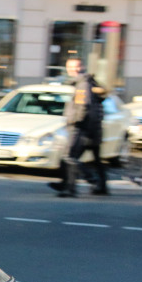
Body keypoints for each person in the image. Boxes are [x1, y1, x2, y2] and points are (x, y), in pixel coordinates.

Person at [50, 57, 108, 197]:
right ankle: (100, 186)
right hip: (93, 128)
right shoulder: (89, 82)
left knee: (69, 157)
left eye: (74, 67)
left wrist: (76, 123)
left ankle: (78, 185)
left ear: (81, 67)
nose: (72, 70)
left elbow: (83, 106)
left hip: (83, 128)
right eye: (69, 67)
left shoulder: (83, 84)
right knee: (93, 159)